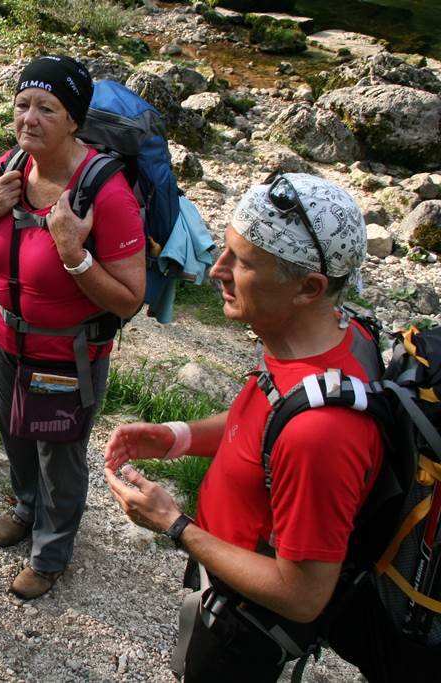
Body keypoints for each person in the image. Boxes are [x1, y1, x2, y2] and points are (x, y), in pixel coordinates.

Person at [104, 173, 385, 681]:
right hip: (228, 575)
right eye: (226, 250)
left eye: (244, 262)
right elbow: (263, 422)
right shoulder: (328, 336)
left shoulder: (322, 434)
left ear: (309, 287)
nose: (217, 270)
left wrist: (174, 525)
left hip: (248, 622)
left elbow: (301, 596)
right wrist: (178, 437)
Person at [0, 54, 146, 600]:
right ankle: (25, 506)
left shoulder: (105, 195)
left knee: (59, 453)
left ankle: (50, 552)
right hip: (5, 336)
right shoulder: (11, 169)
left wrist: (73, 251)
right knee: (15, 431)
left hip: (66, 355)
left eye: (48, 107)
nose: (30, 118)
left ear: (74, 119)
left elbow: (131, 299)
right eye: (23, 104)